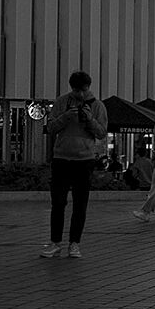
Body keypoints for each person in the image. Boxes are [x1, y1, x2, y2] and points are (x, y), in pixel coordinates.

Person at [40, 73, 107, 258]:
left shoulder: (97, 106)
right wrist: (66, 116)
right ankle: (55, 242)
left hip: (84, 160)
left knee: (80, 204)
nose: (80, 94)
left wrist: (89, 119)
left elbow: (102, 132)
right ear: (71, 88)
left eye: (83, 90)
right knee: (58, 202)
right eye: (76, 90)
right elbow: (50, 127)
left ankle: (75, 243)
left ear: (88, 87)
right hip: (62, 158)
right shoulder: (61, 103)